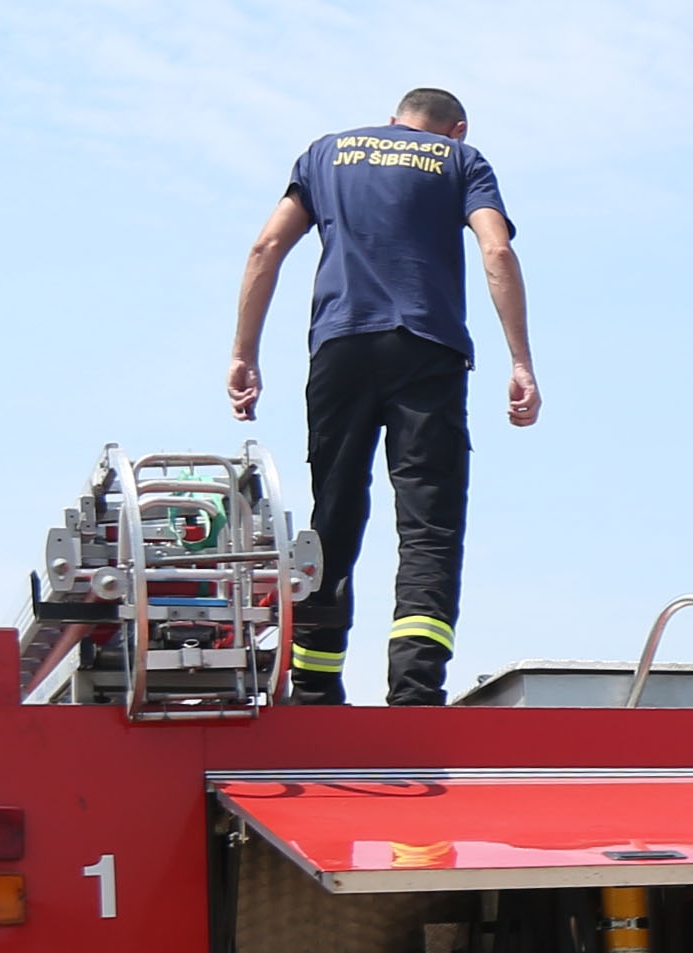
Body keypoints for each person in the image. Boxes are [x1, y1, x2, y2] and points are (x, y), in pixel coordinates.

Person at [225, 87, 539, 707]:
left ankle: (314, 687)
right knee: (429, 523)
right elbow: (495, 247)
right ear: (456, 128)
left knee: (334, 517)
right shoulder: (461, 161)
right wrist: (521, 362)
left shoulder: (324, 154)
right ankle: (416, 691)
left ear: (395, 119)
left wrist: (244, 353)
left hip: (340, 347)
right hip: (428, 347)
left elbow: (266, 247)